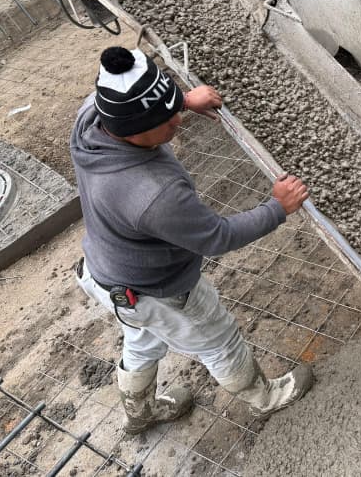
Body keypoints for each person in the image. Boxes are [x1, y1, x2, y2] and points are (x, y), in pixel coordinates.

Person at [70, 46, 315, 434]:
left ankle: (139, 412)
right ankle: (265, 398)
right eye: (167, 120)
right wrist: (278, 208)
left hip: (105, 274)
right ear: (135, 129)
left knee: (142, 340)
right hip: (160, 292)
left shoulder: (92, 118)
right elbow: (218, 236)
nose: (178, 121)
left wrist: (181, 99)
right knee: (218, 340)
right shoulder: (151, 194)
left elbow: (139, 106)